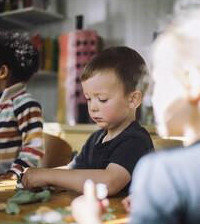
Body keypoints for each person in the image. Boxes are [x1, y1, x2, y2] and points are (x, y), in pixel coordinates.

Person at [71, 5, 200, 224]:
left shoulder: (165, 171)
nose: (152, 97)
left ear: (192, 82)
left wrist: (88, 218)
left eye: (158, 81)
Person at [21, 46, 153, 195]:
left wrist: (48, 176)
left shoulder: (136, 141)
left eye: (102, 99)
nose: (93, 107)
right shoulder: (95, 139)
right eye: (89, 99)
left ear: (133, 99)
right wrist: (40, 177)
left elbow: (109, 182)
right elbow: (73, 172)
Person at [0, 31, 44, 180]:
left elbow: (34, 147)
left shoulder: (25, 104)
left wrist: (14, 174)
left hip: (11, 184)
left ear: (2, 71)